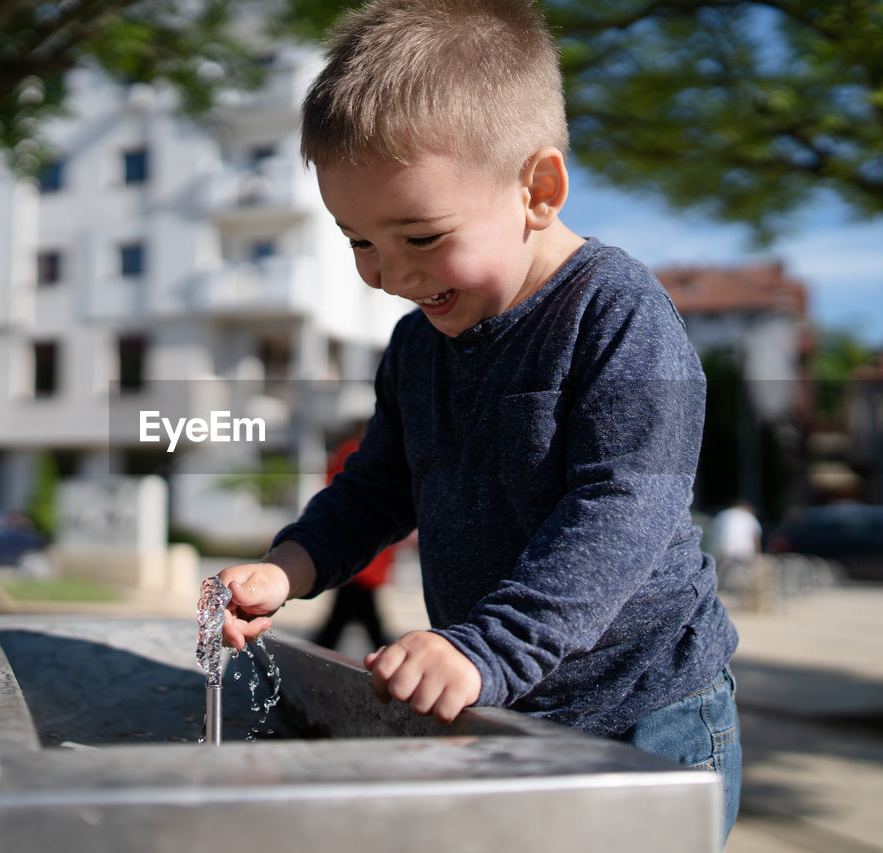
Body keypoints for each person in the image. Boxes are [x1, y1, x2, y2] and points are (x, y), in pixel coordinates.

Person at [214, 0, 741, 841]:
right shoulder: (418, 345)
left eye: (419, 236)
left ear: (538, 190)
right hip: (504, 698)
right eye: (359, 241)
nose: (386, 275)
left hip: (645, 717)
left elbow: (625, 505)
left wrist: (486, 647)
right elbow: (381, 486)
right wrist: (290, 566)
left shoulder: (616, 313)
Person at [312, 432, 399, 651]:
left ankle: (314, 662)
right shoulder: (363, 452)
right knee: (356, 619)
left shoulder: (350, 452)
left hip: (355, 551)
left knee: (346, 620)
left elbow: (333, 489)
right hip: (366, 551)